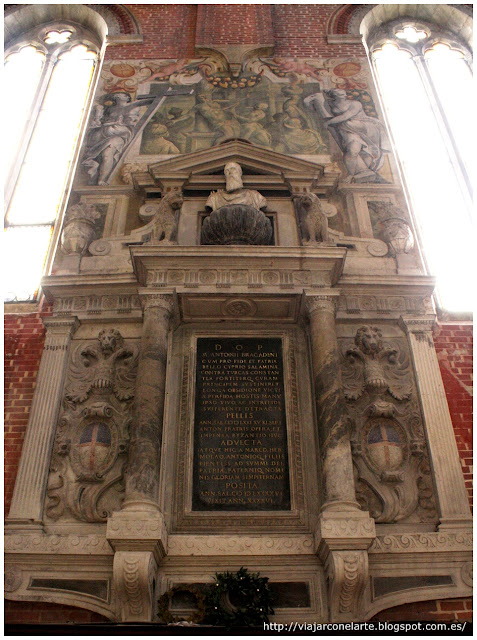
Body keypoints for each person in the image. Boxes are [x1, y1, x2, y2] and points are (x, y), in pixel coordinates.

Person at [305, 89, 390, 182]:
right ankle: (353, 174)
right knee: (352, 150)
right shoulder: (330, 103)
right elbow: (317, 110)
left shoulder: (355, 104)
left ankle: (363, 172)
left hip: (362, 127)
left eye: (342, 93)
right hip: (347, 129)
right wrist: (307, 102)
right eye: (338, 93)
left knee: (364, 151)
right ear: (333, 96)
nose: (341, 94)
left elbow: (345, 116)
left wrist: (329, 122)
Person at [82, 92, 155, 185]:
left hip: (120, 135)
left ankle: (102, 180)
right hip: (103, 135)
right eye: (117, 94)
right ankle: (96, 176)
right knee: (100, 156)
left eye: (121, 94)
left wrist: (159, 95)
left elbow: (145, 101)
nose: (117, 95)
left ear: (127, 98)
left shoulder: (130, 106)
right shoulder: (109, 109)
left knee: (107, 154)